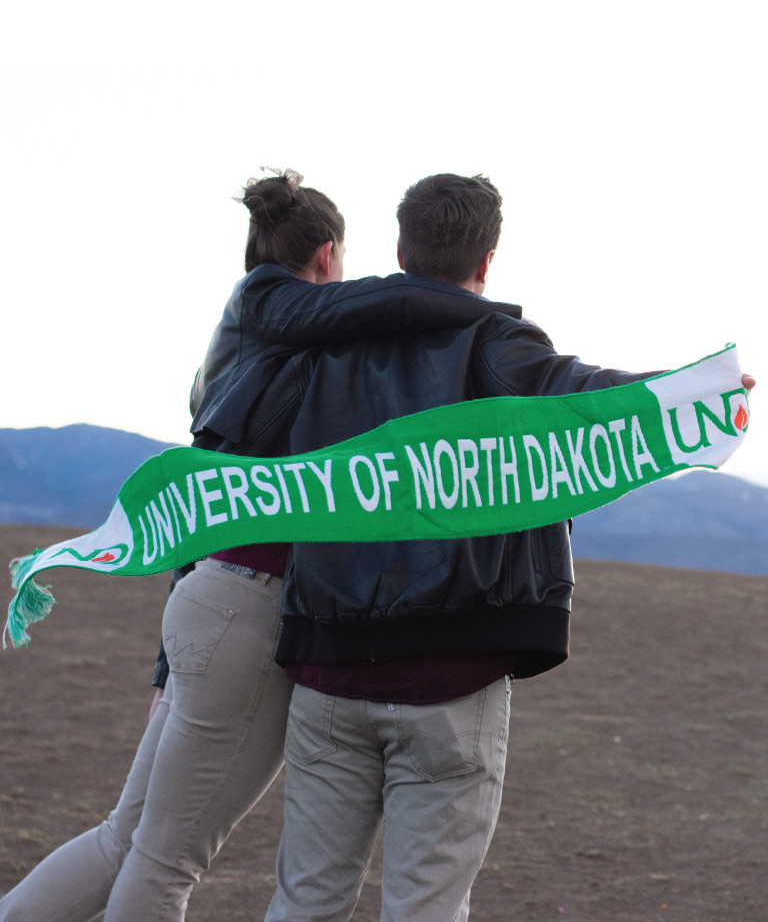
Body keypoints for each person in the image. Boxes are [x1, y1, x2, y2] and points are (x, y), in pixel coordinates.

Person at [0, 171, 523, 922]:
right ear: (327, 255)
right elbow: (393, 300)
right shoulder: (271, 304)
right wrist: (484, 309)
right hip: (251, 608)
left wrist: (162, 666)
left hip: (211, 595)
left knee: (128, 836)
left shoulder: (251, 347)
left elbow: (204, 497)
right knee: (165, 856)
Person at [229, 173, 754, 922]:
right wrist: (695, 393)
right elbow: (579, 400)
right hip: (454, 675)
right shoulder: (496, 344)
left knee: (305, 900)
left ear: (402, 249)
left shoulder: (325, 348)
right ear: (487, 260)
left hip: (327, 666)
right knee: (426, 909)